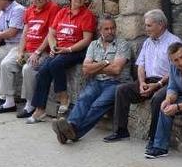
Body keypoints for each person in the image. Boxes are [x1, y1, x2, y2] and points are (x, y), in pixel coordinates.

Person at [105, 9, 182, 142]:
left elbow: (176, 70)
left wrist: (158, 85)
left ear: (161, 24)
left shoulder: (174, 42)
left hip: (168, 82)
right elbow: (141, 66)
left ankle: (154, 138)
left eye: (149, 25)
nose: (146, 29)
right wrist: (141, 83)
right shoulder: (147, 42)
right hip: (148, 81)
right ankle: (121, 131)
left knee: (158, 99)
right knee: (122, 90)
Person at [52, 15, 131, 143]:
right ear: (100, 30)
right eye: (106, 29)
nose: (110, 31)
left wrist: (96, 65)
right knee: (83, 99)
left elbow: (116, 70)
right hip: (97, 81)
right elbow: (85, 69)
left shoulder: (123, 44)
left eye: (112, 28)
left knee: (97, 105)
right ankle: (69, 127)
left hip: (116, 83)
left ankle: (73, 132)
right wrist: (106, 62)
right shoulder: (94, 45)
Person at [26, 0, 95, 124]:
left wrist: (68, 50)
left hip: (76, 50)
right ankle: (40, 109)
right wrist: (53, 47)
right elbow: (51, 33)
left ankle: (64, 97)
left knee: (55, 64)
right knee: (43, 71)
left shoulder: (87, 15)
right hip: (59, 50)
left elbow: (87, 40)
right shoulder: (63, 12)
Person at [0, 0, 60, 118]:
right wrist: (20, 51)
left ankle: (30, 104)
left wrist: (37, 52)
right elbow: (25, 33)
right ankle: (9, 101)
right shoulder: (29, 10)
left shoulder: (53, 8)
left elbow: (51, 34)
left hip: (42, 51)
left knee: (28, 69)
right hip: (26, 48)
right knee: (6, 64)